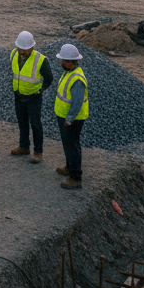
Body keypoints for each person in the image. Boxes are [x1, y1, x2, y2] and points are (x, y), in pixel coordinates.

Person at [9, 31, 53, 163]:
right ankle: (24, 147)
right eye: (21, 49)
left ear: (32, 47)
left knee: (35, 124)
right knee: (22, 122)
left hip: (34, 97)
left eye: (26, 49)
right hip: (19, 95)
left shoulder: (41, 60)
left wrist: (40, 90)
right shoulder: (13, 54)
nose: (23, 51)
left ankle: (38, 152)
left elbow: (49, 78)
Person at [54, 43, 89, 189]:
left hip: (72, 119)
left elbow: (77, 102)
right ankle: (69, 167)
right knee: (68, 145)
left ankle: (75, 177)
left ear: (74, 62)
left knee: (72, 146)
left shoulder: (77, 79)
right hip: (64, 116)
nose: (62, 62)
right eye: (62, 60)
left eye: (65, 60)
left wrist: (69, 118)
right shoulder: (69, 72)